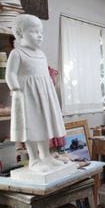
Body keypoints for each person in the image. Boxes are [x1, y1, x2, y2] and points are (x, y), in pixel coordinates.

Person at [6, 14, 65, 172]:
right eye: (34, 31)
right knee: (31, 126)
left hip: (43, 96)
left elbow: (44, 75)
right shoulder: (17, 54)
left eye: (41, 32)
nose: (39, 35)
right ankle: (34, 159)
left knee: (44, 125)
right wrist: (15, 88)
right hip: (26, 95)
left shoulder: (41, 55)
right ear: (20, 33)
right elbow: (10, 74)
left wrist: (49, 88)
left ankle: (45, 156)